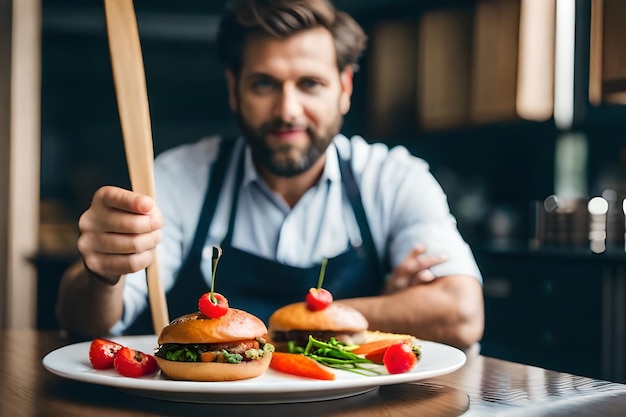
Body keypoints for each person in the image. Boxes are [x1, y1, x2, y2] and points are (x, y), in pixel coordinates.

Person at [56, 0, 484, 349]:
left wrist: (292, 323)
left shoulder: (394, 179)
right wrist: (100, 274)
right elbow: (88, 322)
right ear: (233, 90)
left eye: (310, 84)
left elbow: (462, 313)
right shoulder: (178, 178)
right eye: (264, 84)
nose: (287, 110)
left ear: (345, 88)